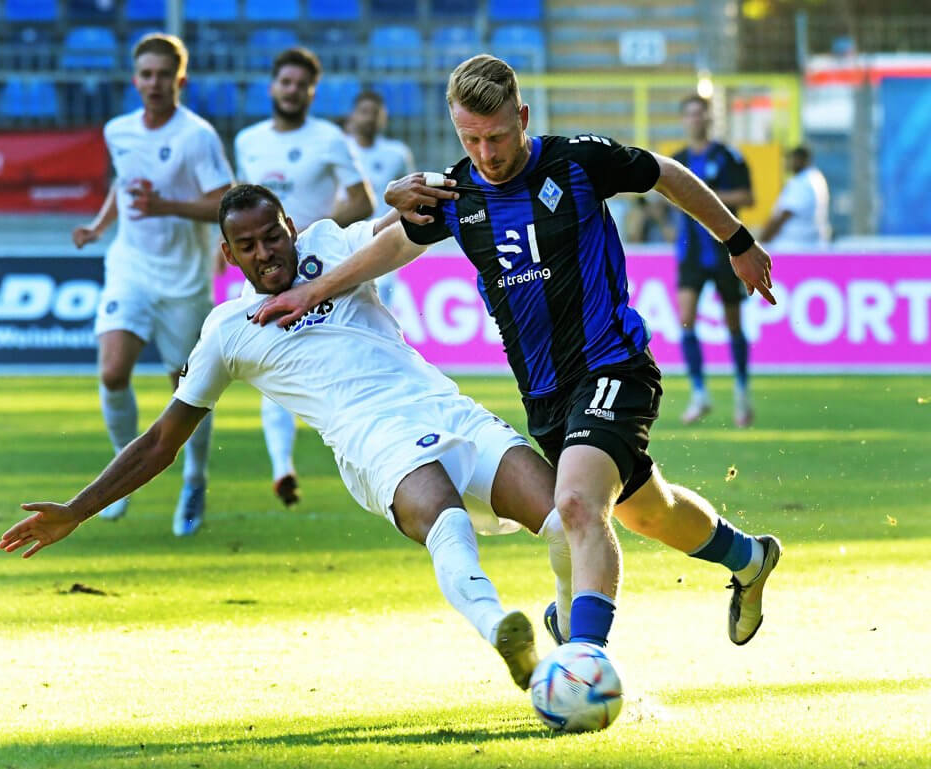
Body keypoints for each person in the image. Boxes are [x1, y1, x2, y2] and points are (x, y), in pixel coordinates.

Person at [255, 55, 783, 651]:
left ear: (523, 117)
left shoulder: (579, 161)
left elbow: (665, 173)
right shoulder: (457, 192)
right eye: (470, 138)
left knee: (578, 506)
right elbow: (397, 243)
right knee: (648, 511)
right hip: (545, 395)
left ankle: (583, 660)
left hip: (613, 365)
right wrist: (314, 290)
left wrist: (737, 241)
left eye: (498, 135)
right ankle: (749, 557)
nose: (487, 152)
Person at [0, 183, 583, 692]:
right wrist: (78, 509)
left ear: (291, 228)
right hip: (375, 442)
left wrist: (404, 192)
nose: (265, 254)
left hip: (450, 410)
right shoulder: (227, 333)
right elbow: (160, 441)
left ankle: (563, 622)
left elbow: (398, 226)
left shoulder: (332, 247)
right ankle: (507, 638)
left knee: (564, 520)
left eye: (272, 237)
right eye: (248, 246)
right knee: (446, 521)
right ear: (227, 255)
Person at [71, 33, 234, 537]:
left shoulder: (197, 135)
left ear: (179, 80)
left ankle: (195, 478)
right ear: (135, 79)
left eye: (164, 74)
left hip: (184, 280)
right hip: (130, 267)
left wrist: (168, 207)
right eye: (146, 74)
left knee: (187, 392)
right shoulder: (118, 130)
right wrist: (100, 227)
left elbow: (224, 200)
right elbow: (126, 184)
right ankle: (120, 478)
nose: (154, 83)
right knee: (113, 370)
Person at [233, 47, 375, 508]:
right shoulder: (248, 141)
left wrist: (315, 236)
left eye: (301, 85)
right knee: (273, 364)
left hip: (317, 268)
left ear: (312, 91)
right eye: (286, 82)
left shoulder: (329, 139)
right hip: (267, 275)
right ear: (273, 86)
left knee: (346, 364)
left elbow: (362, 200)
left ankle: (371, 453)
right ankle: (282, 466)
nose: (292, 91)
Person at [673, 95, 756, 427]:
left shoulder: (728, 157)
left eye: (700, 114)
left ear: (709, 118)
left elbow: (748, 197)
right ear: (684, 120)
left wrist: (705, 199)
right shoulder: (676, 160)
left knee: (733, 323)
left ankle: (741, 391)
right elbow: (662, 198)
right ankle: (699, 393)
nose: (696, 119)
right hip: (691, 253)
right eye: (690, 114)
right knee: (686, 319)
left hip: (725, 252)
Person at [344, 90, 416, 306]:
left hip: (384, 240)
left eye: (375, 112)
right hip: (346, 240)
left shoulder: (397, 154)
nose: (369, 117)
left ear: (383, 117)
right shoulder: (340, 149)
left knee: (380, 303)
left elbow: (413, 194)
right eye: (364, 112)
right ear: (353, 115)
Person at [759, 145, 831, 250]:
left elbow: (783, 216)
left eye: (791, 159)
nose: (788, 163)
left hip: (792, 246)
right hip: (811, 244)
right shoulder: (816, 178)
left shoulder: (801, 182)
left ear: (800, 160)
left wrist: (762, 241)